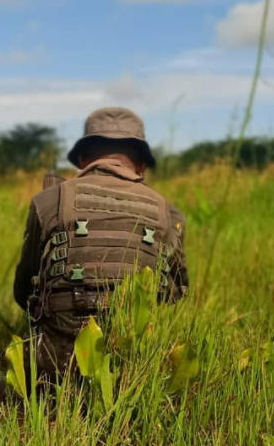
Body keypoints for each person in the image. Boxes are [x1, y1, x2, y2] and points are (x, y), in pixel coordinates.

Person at [14, 107, 189, 383]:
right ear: (142, 164)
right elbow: (174, 294)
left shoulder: (48, 200)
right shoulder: (169, 213)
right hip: (134, 364)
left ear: (82, 160)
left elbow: (22, 288)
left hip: (55, 365)